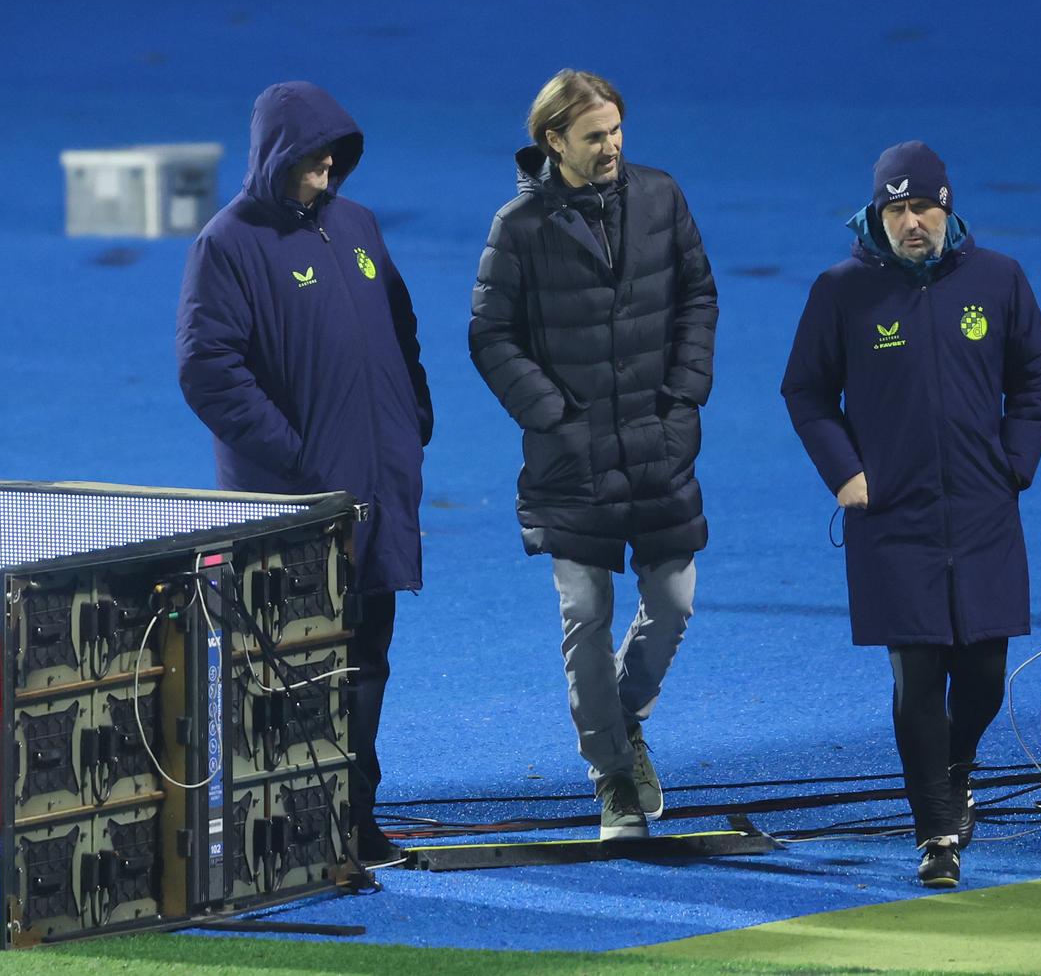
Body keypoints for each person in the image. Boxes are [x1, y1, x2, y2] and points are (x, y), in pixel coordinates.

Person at [781, 141, 1041, 888]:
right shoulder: (842, 291)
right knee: (917, 678)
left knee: (986, 678)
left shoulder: (998, 280)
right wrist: (845, 473)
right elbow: (805, 392)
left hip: (981, 508)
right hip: (891, 517)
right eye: (896, 209)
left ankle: (954, 766)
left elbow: (1035, 370)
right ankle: (937, 833)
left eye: (923, 206)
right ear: (878, 214)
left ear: (948, 206)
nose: (912, 222)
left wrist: (1016, 460)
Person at [176, 81, 433, 866]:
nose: (327, 172)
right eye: (314, 160)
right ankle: (292, 831)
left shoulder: (356, 226)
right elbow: (206, 369)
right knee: (292, 669)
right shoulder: (228, 244)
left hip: (379, 491)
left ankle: (353, 818)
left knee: (367, 661)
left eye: (335, 159)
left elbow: (401, 326)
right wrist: (293, 456)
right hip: (295, 505)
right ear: (275, 156)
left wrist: (413, 419)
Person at [470, 69, 717, 840]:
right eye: (593, 136)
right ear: (553, 141)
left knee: (674, 604)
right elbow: (490, 335)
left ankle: (623, 717)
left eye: (616, 130)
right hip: (570, 462)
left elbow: (698, 295)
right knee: (586, 616)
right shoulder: (519, 227)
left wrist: (684, 395)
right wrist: (554, 416)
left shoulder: (662, 197)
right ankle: (612, 774)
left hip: (656, 443)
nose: (611, 146)